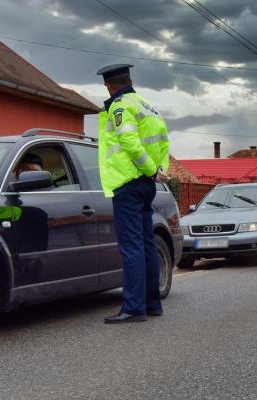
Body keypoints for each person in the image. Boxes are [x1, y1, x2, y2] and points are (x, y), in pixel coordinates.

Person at [96, 63, 170, 324]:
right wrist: (157, 171)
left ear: (108, 85)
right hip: (146, 185)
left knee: (132, 247)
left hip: (127, 182)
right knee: (147, 244)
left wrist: (149, 170)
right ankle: (152, 304)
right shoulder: (149, 107)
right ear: (128, 80)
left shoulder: (119, 106)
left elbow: (128, 141)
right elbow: (163, 143)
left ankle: (133, 308)